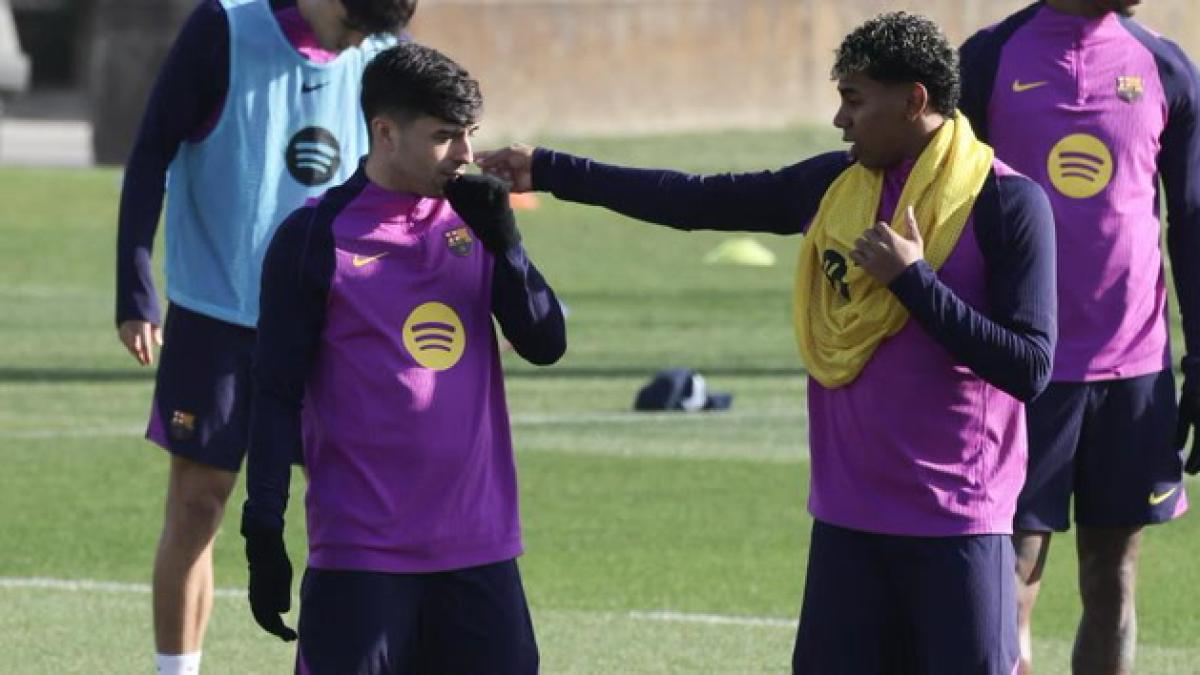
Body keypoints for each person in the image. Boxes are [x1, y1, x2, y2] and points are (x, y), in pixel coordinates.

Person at [479, 11, 1057, 674]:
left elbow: (1029, 366)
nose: (841, 120)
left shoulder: (1008, 203)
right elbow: (697, 201)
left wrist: (914, 283)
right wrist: (549, 169)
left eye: (855, 100)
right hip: (848, 521)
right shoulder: (837, 186)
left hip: (956, 523)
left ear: (914, 101)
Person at [240, 42, 566, 674]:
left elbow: (545, 343)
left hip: (479, 551)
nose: (466, 155)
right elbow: (276, 392)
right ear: (384, 132)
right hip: (361, 556)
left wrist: (508, 246)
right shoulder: (313, 237)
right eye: (444, 137)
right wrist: (263, 528)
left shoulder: (475, 219)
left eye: (470, 134)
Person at [113, 1, 415, 672]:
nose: (364, 43)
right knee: (197, 505)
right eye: (357, 27)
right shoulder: (223, 28)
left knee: (350, 514)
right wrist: (136, 285)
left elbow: (419, 177)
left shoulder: (385, 44)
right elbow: (151, 150)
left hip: (335, 324)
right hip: (216, 317)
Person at [958, 2, 1200, 672]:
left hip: (1134, 374)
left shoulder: (1166, 67)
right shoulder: (989, 59)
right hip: (1022, 369)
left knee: (1113, 578)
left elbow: (1192, 220)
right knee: (1009, 576)